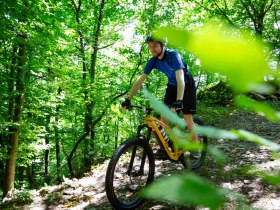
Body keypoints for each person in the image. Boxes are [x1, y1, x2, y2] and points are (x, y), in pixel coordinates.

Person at [121, 35, 199, 148]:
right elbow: (140, 80)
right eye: (150, 46)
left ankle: (196, 145)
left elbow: (180, 79)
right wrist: (128, 98)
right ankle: (167, 146)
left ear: (162, 45)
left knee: (187, 117)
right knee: (164, 118)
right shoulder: (153, 61)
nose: (152, 49)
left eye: (155, 46)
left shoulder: (173, 55)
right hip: (172, 86)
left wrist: (179, 100)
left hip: (186, 85)